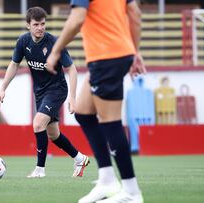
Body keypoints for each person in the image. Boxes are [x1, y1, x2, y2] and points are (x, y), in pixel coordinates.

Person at [46, 0, 146, 202]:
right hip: (116, 53)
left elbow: (77, 18)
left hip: (106, 56)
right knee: (83, 112)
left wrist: (56, 50)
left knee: (111, 122)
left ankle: (131, 192)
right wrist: (134, 51)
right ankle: (107, 179)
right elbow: (134, 14)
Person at [0, 7, 89, 178]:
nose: (40, 28)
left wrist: (72, 98)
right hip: (40, 92)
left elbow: (72, 68)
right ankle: (80, 158)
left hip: (57, 89)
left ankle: (39, 170)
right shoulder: (23, 42)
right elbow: (14, 64)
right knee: (53, 134)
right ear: (28, 25)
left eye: (43, 24)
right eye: (36, 24)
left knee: (38, 124)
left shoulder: (54, 42)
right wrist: (2, 88)